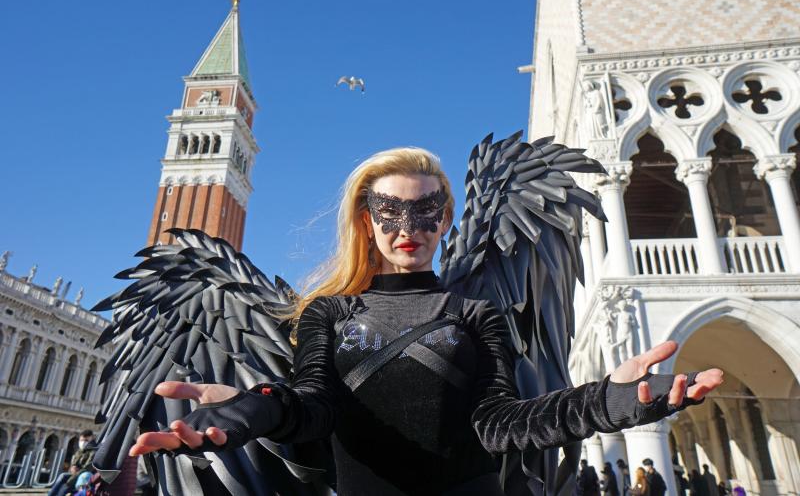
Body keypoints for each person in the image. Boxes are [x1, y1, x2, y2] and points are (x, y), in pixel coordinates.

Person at [126, 148, 724, 494]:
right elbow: (313, 408)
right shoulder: (329, 314)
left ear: (446, 219)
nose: (407, 228)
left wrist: (613, 401)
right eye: (389, 211)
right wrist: (255, 407)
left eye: (425, 211)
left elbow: (499, 423)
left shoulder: (476, 312)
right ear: (366, 221)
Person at [48, 430, 97, 496]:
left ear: (91, 439)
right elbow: (74, 461)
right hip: (77, 473)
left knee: (68, 483)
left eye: (86, 440)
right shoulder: (81, 450)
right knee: (62, 476)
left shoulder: (94, 450)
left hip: (85, 474)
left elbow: (88, 467)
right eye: (81, 440)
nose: (82, 442)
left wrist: (74, 475)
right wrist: (73, 466)